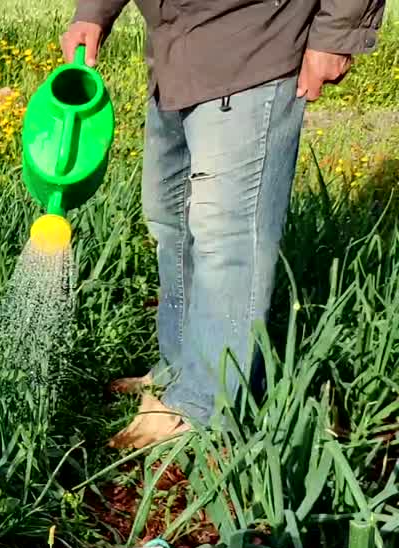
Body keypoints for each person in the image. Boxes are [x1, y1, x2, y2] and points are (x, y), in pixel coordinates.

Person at [60, 0, 387, 449]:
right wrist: (94, 13)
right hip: (175, 50)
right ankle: (179, 365)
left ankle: (203, 406)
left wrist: (337, 34)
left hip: (253, 42)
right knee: (170, 217)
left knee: (227, 235)